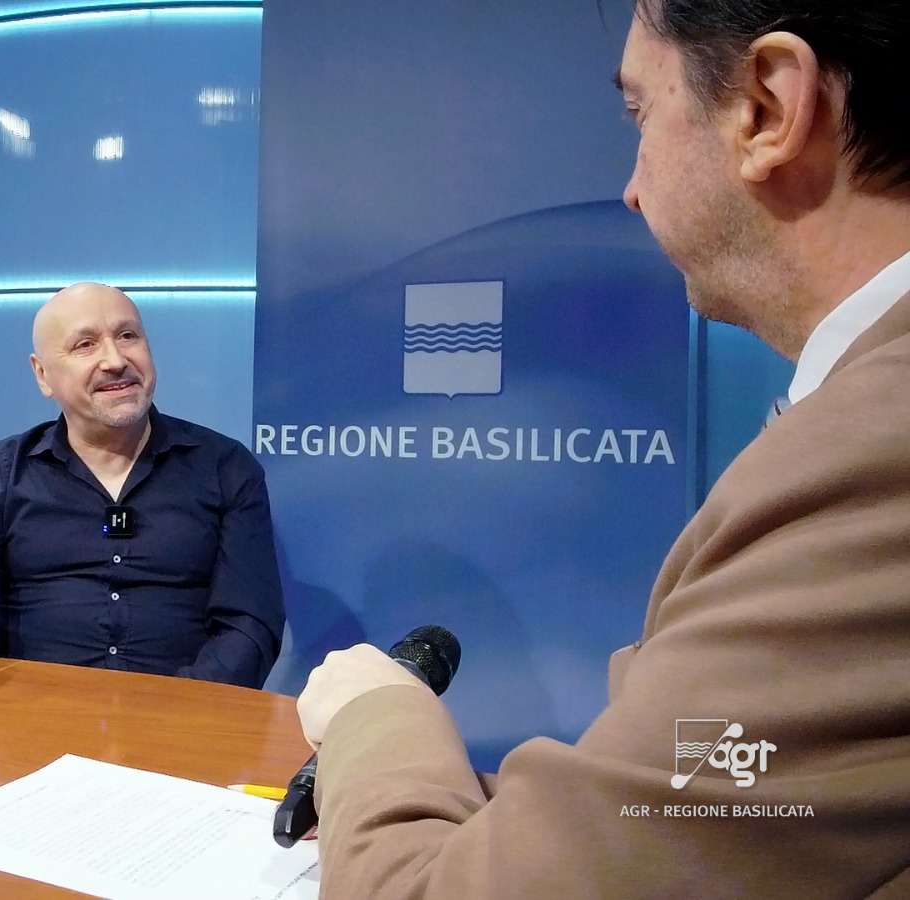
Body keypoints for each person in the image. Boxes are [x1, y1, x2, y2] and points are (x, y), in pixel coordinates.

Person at [297, 3, 910, 896]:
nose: (630, 189)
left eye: (639, 113)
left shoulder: (871, 463)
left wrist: (376, 719)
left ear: (767, 109)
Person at [0, 282, 284, 700]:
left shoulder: (225, 467)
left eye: (128, 336)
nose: (115, 360)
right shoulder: (3, 470)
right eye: (85, 345)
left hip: (186, 718)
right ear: (43, 375)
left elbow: (250, 626)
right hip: (32, 715)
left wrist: (180, 710)